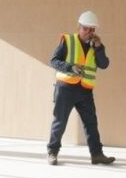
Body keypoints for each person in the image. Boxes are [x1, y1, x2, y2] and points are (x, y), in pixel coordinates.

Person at [46, 11, 115, 166]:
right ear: (79, 27)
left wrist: (98, 47)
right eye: (86, 29)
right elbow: (53, 61)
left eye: (92, 29)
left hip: (85, 91)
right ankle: (52, 151)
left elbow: (104, 64)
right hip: (65, 89)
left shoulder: (96, 45)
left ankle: (96, 154)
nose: (89, 32)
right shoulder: (68, 41)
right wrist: (70, 67)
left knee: (91, 123)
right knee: (60, 122)